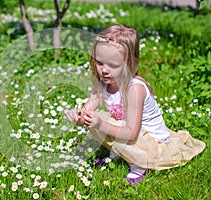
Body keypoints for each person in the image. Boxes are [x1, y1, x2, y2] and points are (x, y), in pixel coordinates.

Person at [66, 24, 206, 186]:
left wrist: (100, 124)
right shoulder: (103, 84)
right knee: (96, 120)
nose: (104, 70)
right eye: (100, 62)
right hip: (130, 131)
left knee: (101, 122)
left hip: (150, 141)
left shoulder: (135, 89)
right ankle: (119, 155)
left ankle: (139, 166)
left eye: (113, 65)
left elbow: (132, 133)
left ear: (131, 64)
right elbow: (87, 112)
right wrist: (77, 117)